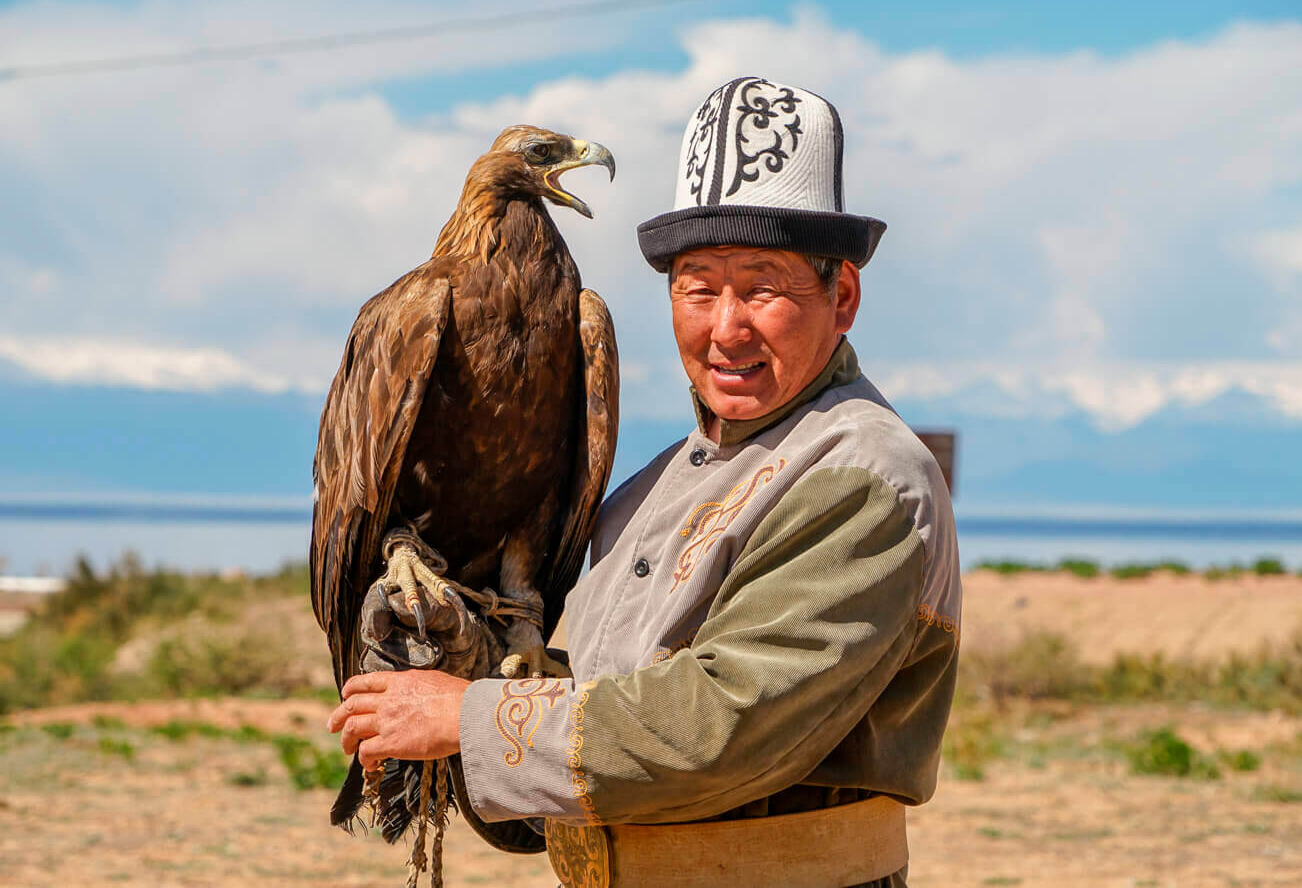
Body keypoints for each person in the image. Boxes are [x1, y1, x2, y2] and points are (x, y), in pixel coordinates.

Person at [328, 76, 962, 888]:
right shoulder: (651, 491)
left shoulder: (861, 476)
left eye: (763, 286)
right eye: (699, 288)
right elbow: (573, 771)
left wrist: (470, 717)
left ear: (842, 297)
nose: (725, 326)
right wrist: (477, 662)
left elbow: (724, 727)